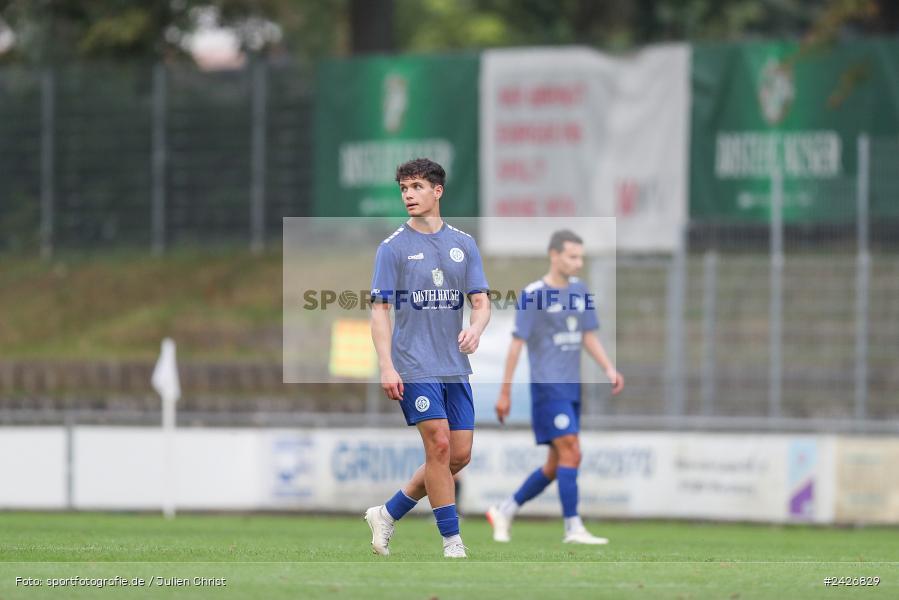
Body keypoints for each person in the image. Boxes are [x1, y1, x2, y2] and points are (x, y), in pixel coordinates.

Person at [364, 158, 491, 559]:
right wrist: (386, 364)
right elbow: (379, 310)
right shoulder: (393, 248)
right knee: (437, 445)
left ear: (437, 191)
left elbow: (482, 302)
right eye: (403, 188)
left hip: (454, 366)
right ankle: (452, 542)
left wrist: (476, 327)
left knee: (458, 455)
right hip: (413, 364)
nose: (408, 195)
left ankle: (387, 513)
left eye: (416, 187)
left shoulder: (464, 244)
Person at [486, 229, 624, 545]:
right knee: (572, 451)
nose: (578, 263)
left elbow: (588, 334)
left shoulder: (580, 290)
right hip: (548, 388)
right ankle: (573, 527)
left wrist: (608, 367)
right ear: (554, 255)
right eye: (572, 256)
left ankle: (505, 509)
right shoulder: (534, 294)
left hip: (572, 389)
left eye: (581, 257)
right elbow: (516, 344)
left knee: (555, 464)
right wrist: (504, 391)